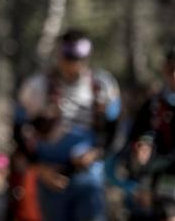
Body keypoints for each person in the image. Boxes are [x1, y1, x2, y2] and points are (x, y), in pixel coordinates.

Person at [13, 29, 121, 221]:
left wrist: (97, 153)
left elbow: (115, 131)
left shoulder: (103, 86)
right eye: (68, 58)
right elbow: (18, 131)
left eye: (78, 59)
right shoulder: (36, 86)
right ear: (59, 55)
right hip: (51, 178)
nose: (73, 64)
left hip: (88, 177)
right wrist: (40, 168)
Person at [119, 47, 175, 221]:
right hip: (154, 182)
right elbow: (137, 137)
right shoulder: (153, 105)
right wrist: (142, 146)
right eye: (171, 70)